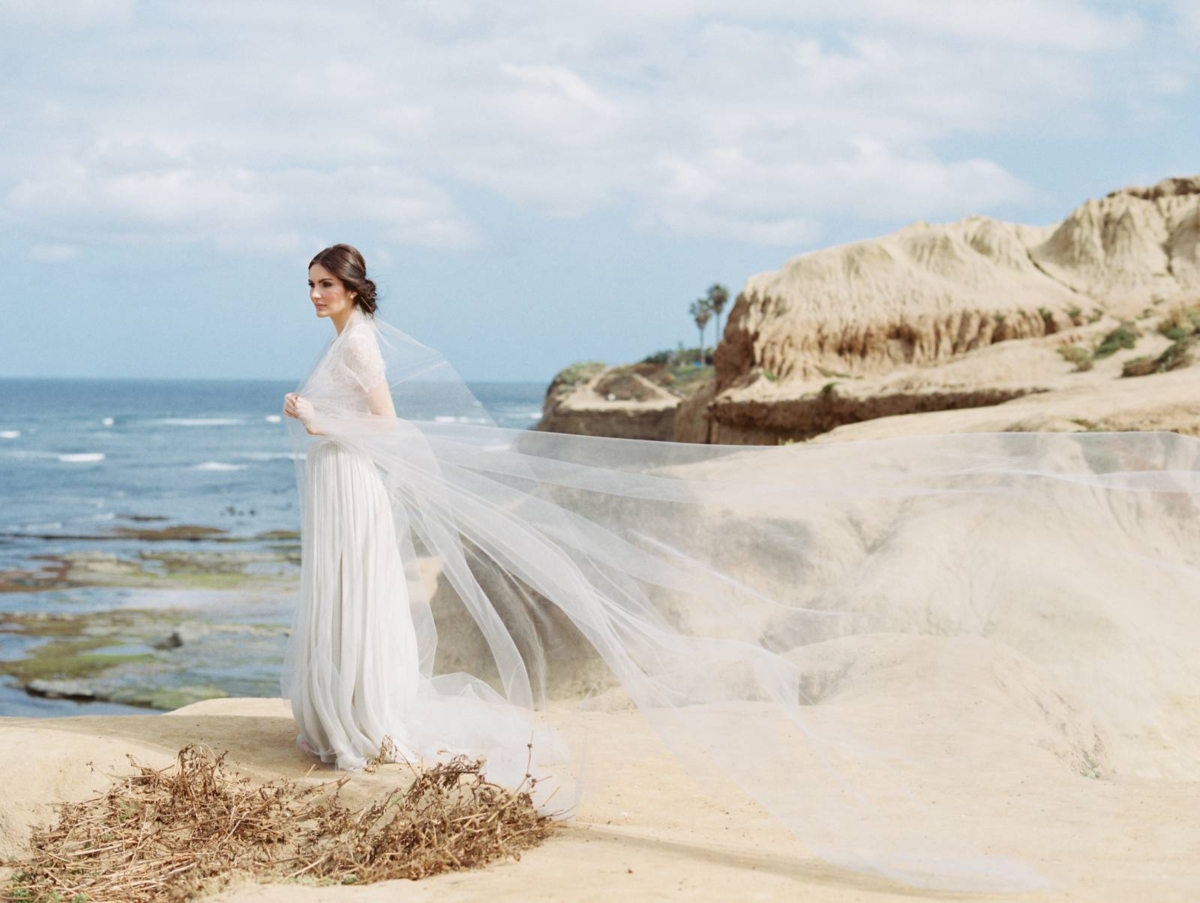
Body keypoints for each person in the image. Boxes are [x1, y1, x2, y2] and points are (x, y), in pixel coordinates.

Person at [280, 244, 1200, 893]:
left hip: (352, 479)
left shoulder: (360, 346)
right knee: (348, 599)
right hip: (343, 487)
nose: (313, 293)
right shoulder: (343, 341)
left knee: (360, 598)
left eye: (322, 283)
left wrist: (321, 422)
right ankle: (349, 713)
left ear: (353, 289)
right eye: (311, 284)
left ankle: (365, 717)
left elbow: (389, 428)